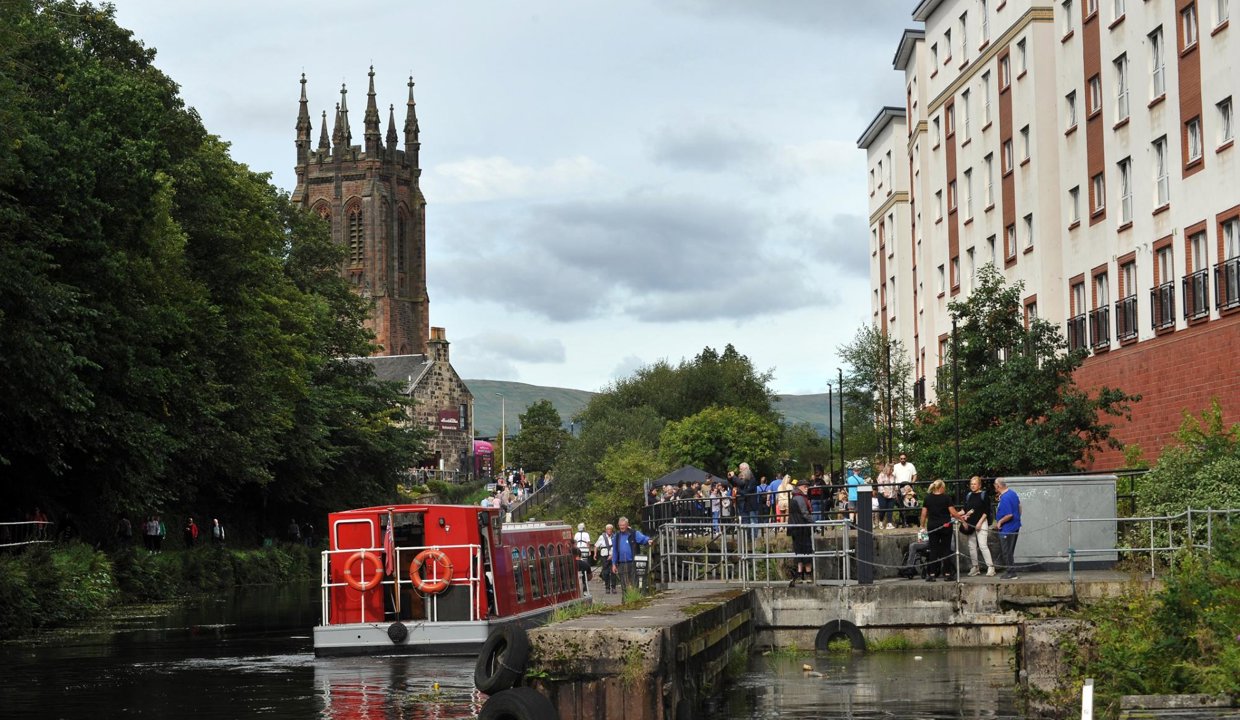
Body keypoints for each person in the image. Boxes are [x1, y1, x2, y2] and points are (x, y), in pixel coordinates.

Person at [919, 479, 960, 582]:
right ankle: (947, 573)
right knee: (946, 549)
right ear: (941, 487)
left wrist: (922, 526)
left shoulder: (927, 498)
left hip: (932, 526)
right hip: (945, 526)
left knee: (933, 550)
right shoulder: (946, 498)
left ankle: (932, 574)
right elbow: (953, 512)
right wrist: (962, 519)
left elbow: (924, 514)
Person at [959, 476, 995, 576]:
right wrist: (955, 514)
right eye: (971, 484)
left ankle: (991, 567)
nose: (972, 486)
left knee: (983, 545)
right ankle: (975, 567)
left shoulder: (984, 495)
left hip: (981, 522)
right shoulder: (969, 495)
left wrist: (980, 522)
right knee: (972, 546)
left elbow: (986, 511)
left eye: (974, 484)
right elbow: (965, 510)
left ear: (979, 485)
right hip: (971, 523)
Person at [610, 516, 651, 596]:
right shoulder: (617, 536)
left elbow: (643, 539)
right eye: (620, 525)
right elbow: (615, 551)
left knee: (634, 583)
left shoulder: (634, 533)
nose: (621, 527)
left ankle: (634, 599)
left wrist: (648, 540)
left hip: (633, 562)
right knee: (624, 585)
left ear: (627, 524)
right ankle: (625, 600)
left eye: (623, 525)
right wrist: (614, 564)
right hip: (621, 563)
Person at [786, 479, 814, 585]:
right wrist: (814, 522)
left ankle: (799, 574)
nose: (807, 488)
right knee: (806, 550)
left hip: (794, 528)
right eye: (805, 486)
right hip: (802, 527)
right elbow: (805, 513)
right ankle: (808, 574)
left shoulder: (794, 496)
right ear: (800, 487)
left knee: (798, 550)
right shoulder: (800, 498)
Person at [994, 478, 1022, 579]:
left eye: (995, 485)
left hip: (1007, 528)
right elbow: (1019, 506)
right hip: (1015, 526)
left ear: (998, 486)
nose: (994, 487)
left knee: (1006, 551)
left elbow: (1009, 515)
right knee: (1010, 550)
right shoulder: (1012, 493)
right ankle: (1011, 570)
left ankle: (1011, 572)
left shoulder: (1005, 498)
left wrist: (1000, 522)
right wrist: (1018, 517)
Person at [593, 524, 617, 594]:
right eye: (608, 529)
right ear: (606, 530)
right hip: (604, 557)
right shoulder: (602, 537)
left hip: (613, 556)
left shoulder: (615, 537)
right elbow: (596, 546)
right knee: (606, 572)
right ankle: (607, 587)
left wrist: (612, 555)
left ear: (612, 530)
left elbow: (617, 548)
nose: (609, 530)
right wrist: (594, 554)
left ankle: (613, 588)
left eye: (610, 529)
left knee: (613, 572)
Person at [876, 463, 897, 529]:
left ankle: (889, 523)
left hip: (892, 495)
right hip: (883, 495)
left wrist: (896, 492)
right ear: (887, 469)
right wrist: (883, 492)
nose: (892, 471)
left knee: (890, 509)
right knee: (882, 509)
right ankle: (881, 522)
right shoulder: (881, 475)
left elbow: (895, 485)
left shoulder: (893, 476)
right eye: (891, 469)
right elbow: (879, 485)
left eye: (892, 470)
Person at [574, 523, 592, 592]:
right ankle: (585, 578)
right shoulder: (586, 534)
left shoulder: (576, 534)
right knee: (584, 563)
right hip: (584, 549)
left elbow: (575, 543)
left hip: (579, 548)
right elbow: (588, 543)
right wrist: (589, 551)